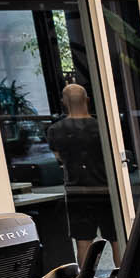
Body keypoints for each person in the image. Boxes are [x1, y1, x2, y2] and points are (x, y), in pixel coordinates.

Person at [45, 81, 115, 254]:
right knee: (116, 238)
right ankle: (121, 277)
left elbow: (59, 157)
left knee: (83, 241)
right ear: (87, 100)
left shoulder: (55, 130)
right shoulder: (103, 127)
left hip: (77, 191)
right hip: (105, 189)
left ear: (64, 102)